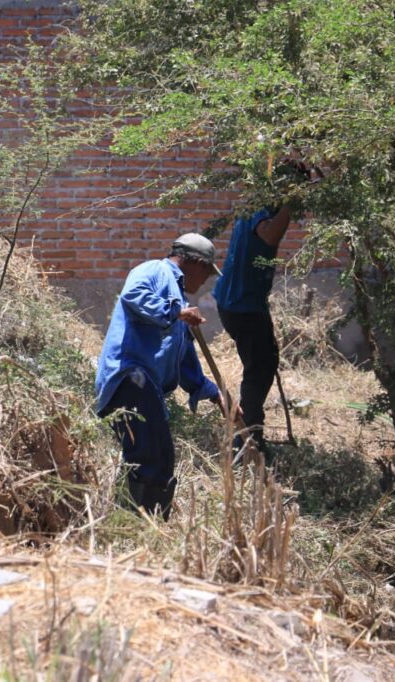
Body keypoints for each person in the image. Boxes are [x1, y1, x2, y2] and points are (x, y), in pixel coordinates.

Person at [95, 233, 223, 520]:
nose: (205, 281)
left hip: (145, 385)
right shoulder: (154, 270)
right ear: (197, 263)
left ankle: (148, 525)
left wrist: (216, 395)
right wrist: (176, 311)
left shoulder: (179, 303)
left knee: (161, 457)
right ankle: (137, 526)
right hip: (129, 378)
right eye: (207, 272)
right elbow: (133, 296)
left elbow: (184, 360)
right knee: (150, 457)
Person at [212, 201, 293, 455]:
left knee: (265, 363)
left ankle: (250, 434)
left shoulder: (257, 205)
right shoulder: (261, 209)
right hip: (242, 305)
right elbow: (269, 235)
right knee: (258, 370)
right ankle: (247, 440)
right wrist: (291, 203)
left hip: (242, 302)